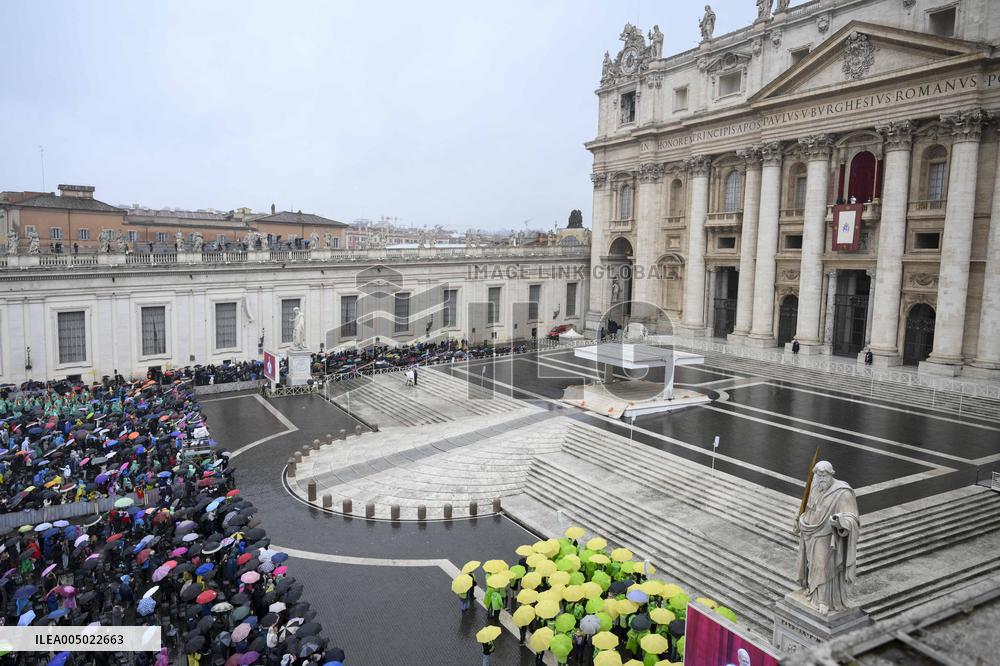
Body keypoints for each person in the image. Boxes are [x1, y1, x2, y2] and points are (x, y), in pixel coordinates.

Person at [795, 460, 860, 614]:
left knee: (822, 566)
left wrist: (840, 521)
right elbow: (810, 508)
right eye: (818, 475)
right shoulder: (815, 487)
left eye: (824, 475)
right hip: (810, 532)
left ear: (831, 474)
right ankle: (813, 592)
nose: (820, 479)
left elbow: (852, 518)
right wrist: (800, 517)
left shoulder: (843, 492)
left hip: (827, 535)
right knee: (811, 565)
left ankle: (823, 601)